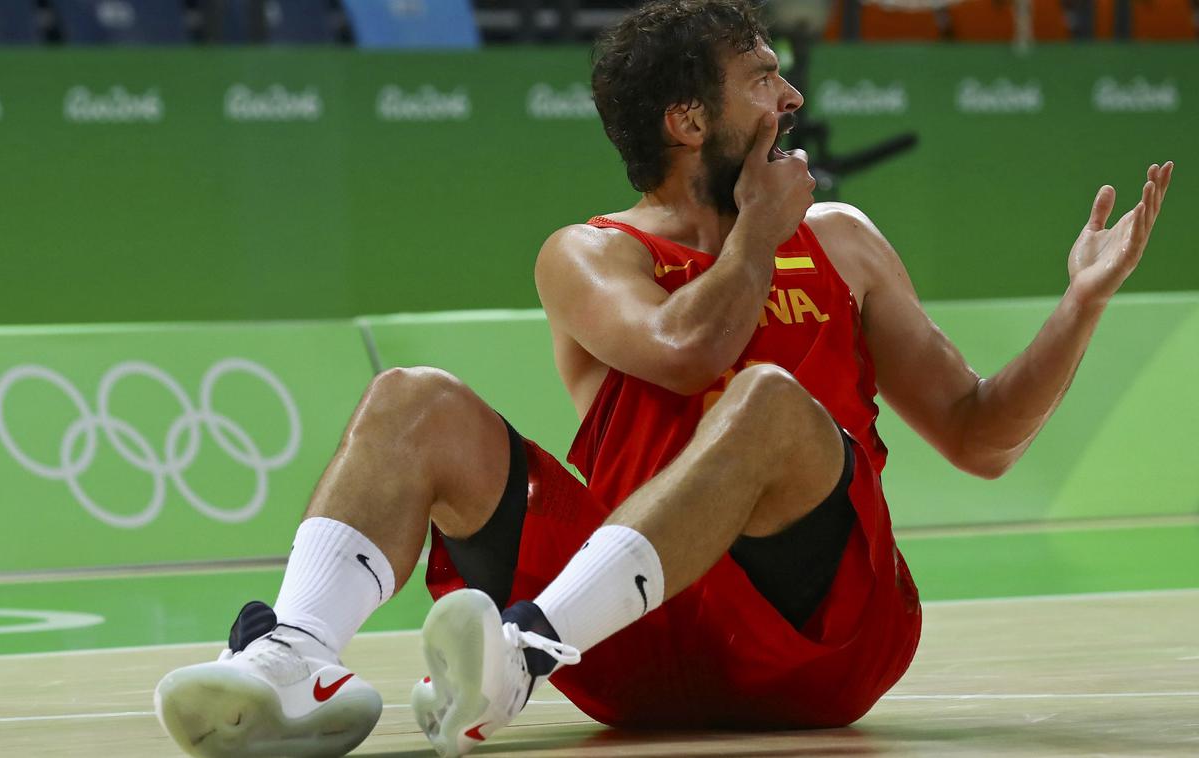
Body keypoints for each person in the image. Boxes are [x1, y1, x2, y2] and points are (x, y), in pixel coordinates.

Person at [154, 2, 1173, 757]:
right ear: (690, 119)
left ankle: (519, 651)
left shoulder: (844, 243)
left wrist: (1081, 302)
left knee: (769, 399)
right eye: (763, 76)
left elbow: (980, 433)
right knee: (410, 396)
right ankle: (291, 667)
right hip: (630, 635)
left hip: (821, 641)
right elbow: (687, 348)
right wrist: (759, 240)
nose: (792, 95)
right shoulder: (589, 255)